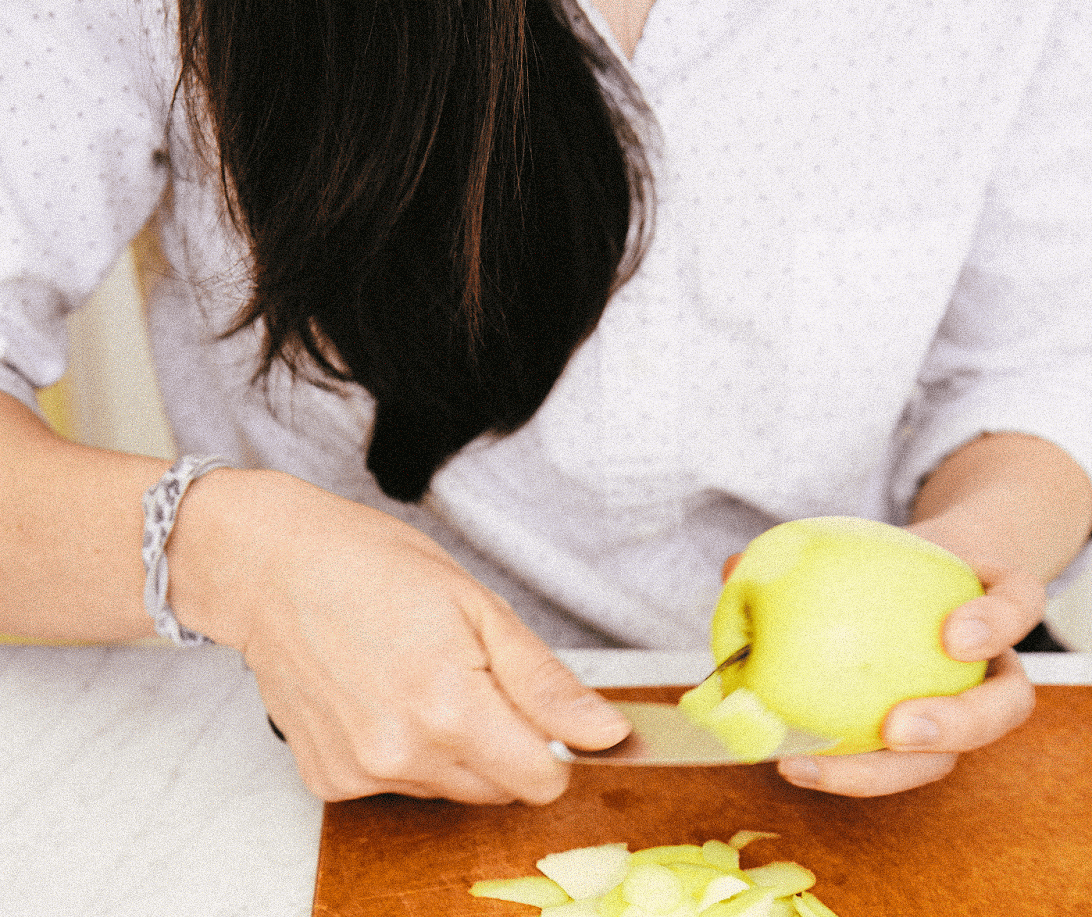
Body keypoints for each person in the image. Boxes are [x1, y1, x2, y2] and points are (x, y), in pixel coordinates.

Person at [1, 0, 1089, 805]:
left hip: (873, 776)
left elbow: (1036, 369)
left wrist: (970, 570)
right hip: (322, 753)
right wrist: (230, 555)